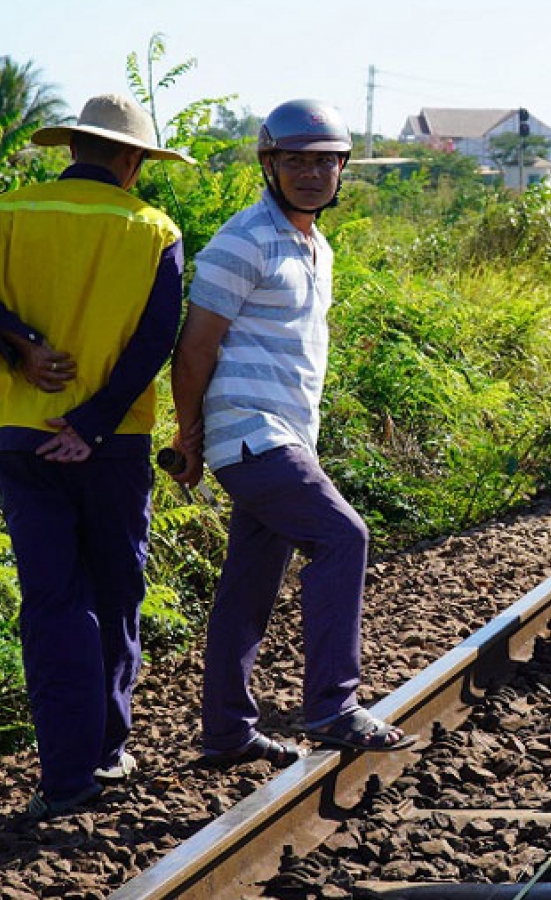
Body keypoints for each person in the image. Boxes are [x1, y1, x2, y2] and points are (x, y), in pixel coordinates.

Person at [0, 94, 192, 818]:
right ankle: (106, 750)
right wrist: (96, 422)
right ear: (133, 160)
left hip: (25, 434)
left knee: (53, 603)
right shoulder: (155, 231)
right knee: (116, 590)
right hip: (115, 443)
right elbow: (156, 339)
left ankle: (66, 775)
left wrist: (19, 343)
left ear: (72, 147)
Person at [168, 99, 413, 762]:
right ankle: (333, 706)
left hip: (284, 437)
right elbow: (194, 350)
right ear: (269, 165)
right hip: (250, 435)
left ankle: (226, 732)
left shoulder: (316, 246)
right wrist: (187, 437)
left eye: (324, 161)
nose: (311, 173)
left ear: (342, 170)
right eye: (295, 161)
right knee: (343, 536)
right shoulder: (244, 238)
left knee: (249, 584)